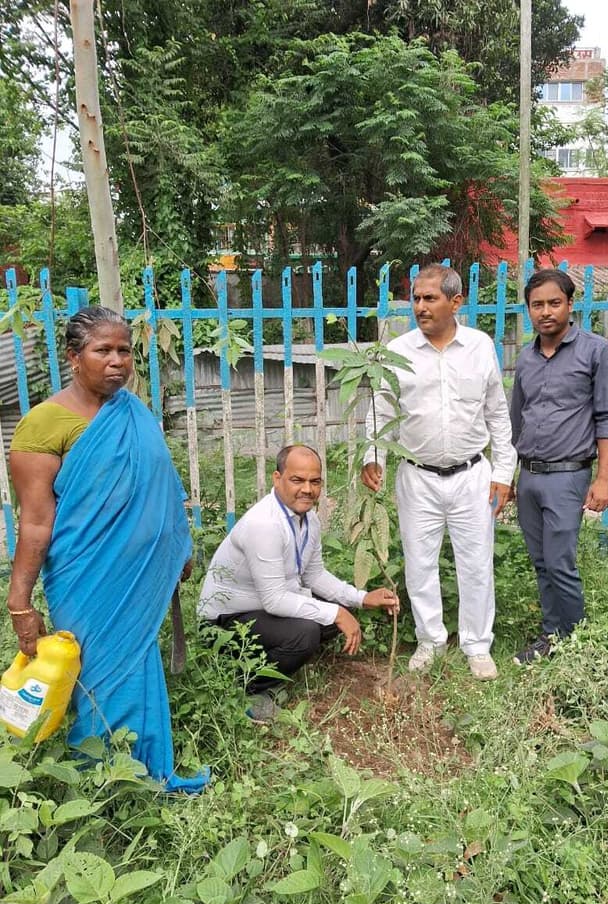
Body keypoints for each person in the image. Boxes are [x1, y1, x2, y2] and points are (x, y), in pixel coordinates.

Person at [8, 306, 207, 792]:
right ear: (74, 357)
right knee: (96, 671)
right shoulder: (43, 425)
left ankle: (143, 769)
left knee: (138, 660)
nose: (117, 360)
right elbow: (34, 523)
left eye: (123, 350)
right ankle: (98, 782)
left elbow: (162, 486)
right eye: (103, 350)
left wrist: (174, 549)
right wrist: (19, 604)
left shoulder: (133, 412)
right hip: (84, 573)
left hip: (140, 575)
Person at [361, 264, 516, 681]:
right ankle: (429, 639)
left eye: (430, 298)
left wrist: (504, 471)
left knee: (476, 562)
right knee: (419, 561)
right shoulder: (401, 351)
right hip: (416, 476)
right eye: (415, 298)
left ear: (455, 302)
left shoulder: (480, 347)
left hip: (471, 476)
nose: (420, 306)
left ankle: (476, 645)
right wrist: (372, 457)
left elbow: (497, 413)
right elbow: (381, 409)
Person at [198, 444, 399, 717]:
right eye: (297, 480)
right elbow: (274, 600)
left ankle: (274, 660)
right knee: (307, 633)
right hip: (224, 623)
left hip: (261, 610)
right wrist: (336, 613)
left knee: (334, 613)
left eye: (314, 482)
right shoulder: (264, 524)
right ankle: (250, 688)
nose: (307, 489)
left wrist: (361, 598)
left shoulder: (309, 520)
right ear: (277, 479)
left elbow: (314, 575)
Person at [510, 268, 608, 665]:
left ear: (570, 305)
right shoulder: (525, 358)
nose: (546, 312)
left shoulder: (596, 351)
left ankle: (575, 645)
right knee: (541, 561)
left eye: (554, 303)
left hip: (568, 475)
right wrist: (510, 476)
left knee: (561, 562)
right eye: (537, 305)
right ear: (528, 310)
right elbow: (516, 421)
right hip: (529, 476)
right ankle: (551, 634)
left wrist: (604, 479)